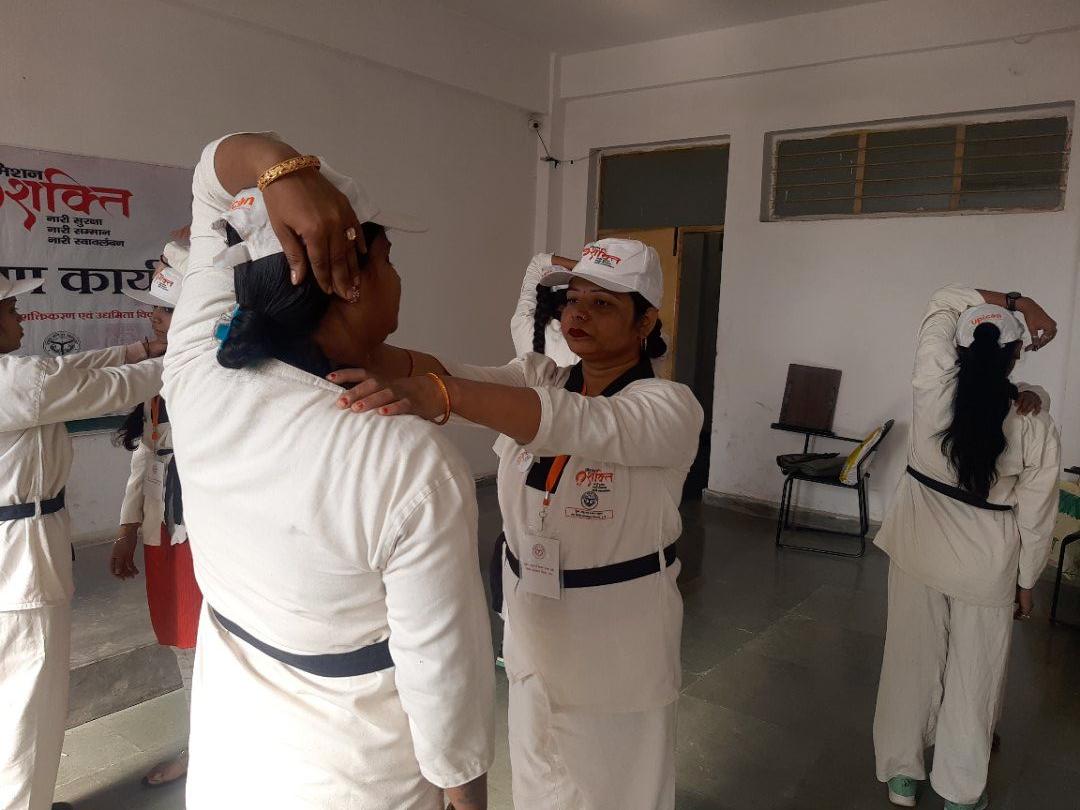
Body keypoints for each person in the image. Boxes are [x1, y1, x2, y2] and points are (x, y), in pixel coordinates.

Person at [160, 132, 494, 810]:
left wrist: (275, 168)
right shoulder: (405, 462)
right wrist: (467, 799)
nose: (398, 279)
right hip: (353, 775)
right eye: (388, 260)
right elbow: (441, 674)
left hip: (233, 754)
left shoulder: (196, 371)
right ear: (349, 278)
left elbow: (211, 181)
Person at [334, 238, 704, 810]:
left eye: (603, 304)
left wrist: (444, 395)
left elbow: (572, 422)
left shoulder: (668, 407)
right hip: (531, 625)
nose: (578, 313)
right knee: (537, 780)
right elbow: (448, 372)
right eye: (573, 299)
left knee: (617, 789)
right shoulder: (541, 375)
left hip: (616, 646)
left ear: (646, 320)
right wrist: (355, 344)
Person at [872, 285, 1061, 810]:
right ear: (1015, 356)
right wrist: (1027, 581)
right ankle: (959, 790)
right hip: (987, 564)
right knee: (975, 674)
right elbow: (1037, 514)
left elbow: (943, 298)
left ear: (956, 347)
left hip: (917, 545)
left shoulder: (931, 381)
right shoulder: (1033, 420)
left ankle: (902, 776)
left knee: (908, 659)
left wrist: (1020, 303)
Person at [0, 275, 164, 810]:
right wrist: (195, 356)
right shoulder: (18, 383)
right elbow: (109, 387)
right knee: (28, 706)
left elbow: (68, 371)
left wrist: (140, 348)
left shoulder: (20, 379)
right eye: (11, 309)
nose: (21, 317)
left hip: (16, 551)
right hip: (20, 566)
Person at [109, 244, 201, 787]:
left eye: (163, 310)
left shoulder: (209, 372)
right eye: (154, 310)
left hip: (203, 526)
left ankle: (214, 745)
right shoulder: (156, 378)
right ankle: (200, 745)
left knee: (207, 639)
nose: (154, 319)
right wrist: (126, 528)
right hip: (162, 526)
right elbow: (146, 453)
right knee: (181, 639)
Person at [511, 252, 579, 365]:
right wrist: (589, 269)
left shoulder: (523, 322)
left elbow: (538, 264)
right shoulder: (584, 342)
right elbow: (538, 263)